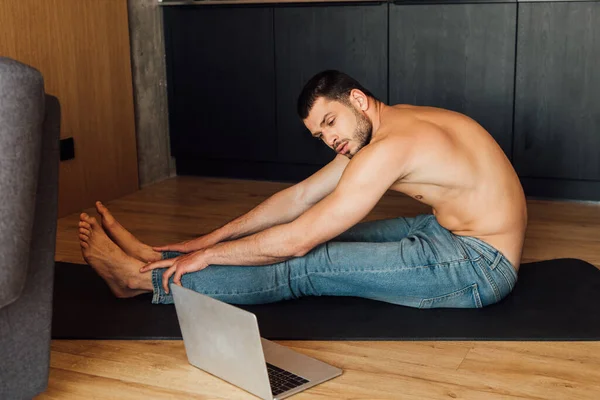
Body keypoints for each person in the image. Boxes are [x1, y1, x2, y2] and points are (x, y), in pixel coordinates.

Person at [78, 70, 527, 308]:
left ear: (356, 99)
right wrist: (206, 240)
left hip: (478, 266)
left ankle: (140, 280)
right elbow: (299, 198)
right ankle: (157, 259)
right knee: (324, 235)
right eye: (319, 135)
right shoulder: (387, 123)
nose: (330, 140)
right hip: (449, 232)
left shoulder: (390, 148)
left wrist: (211, 256)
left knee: (308, 262)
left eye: (330, 123)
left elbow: (297, 240)